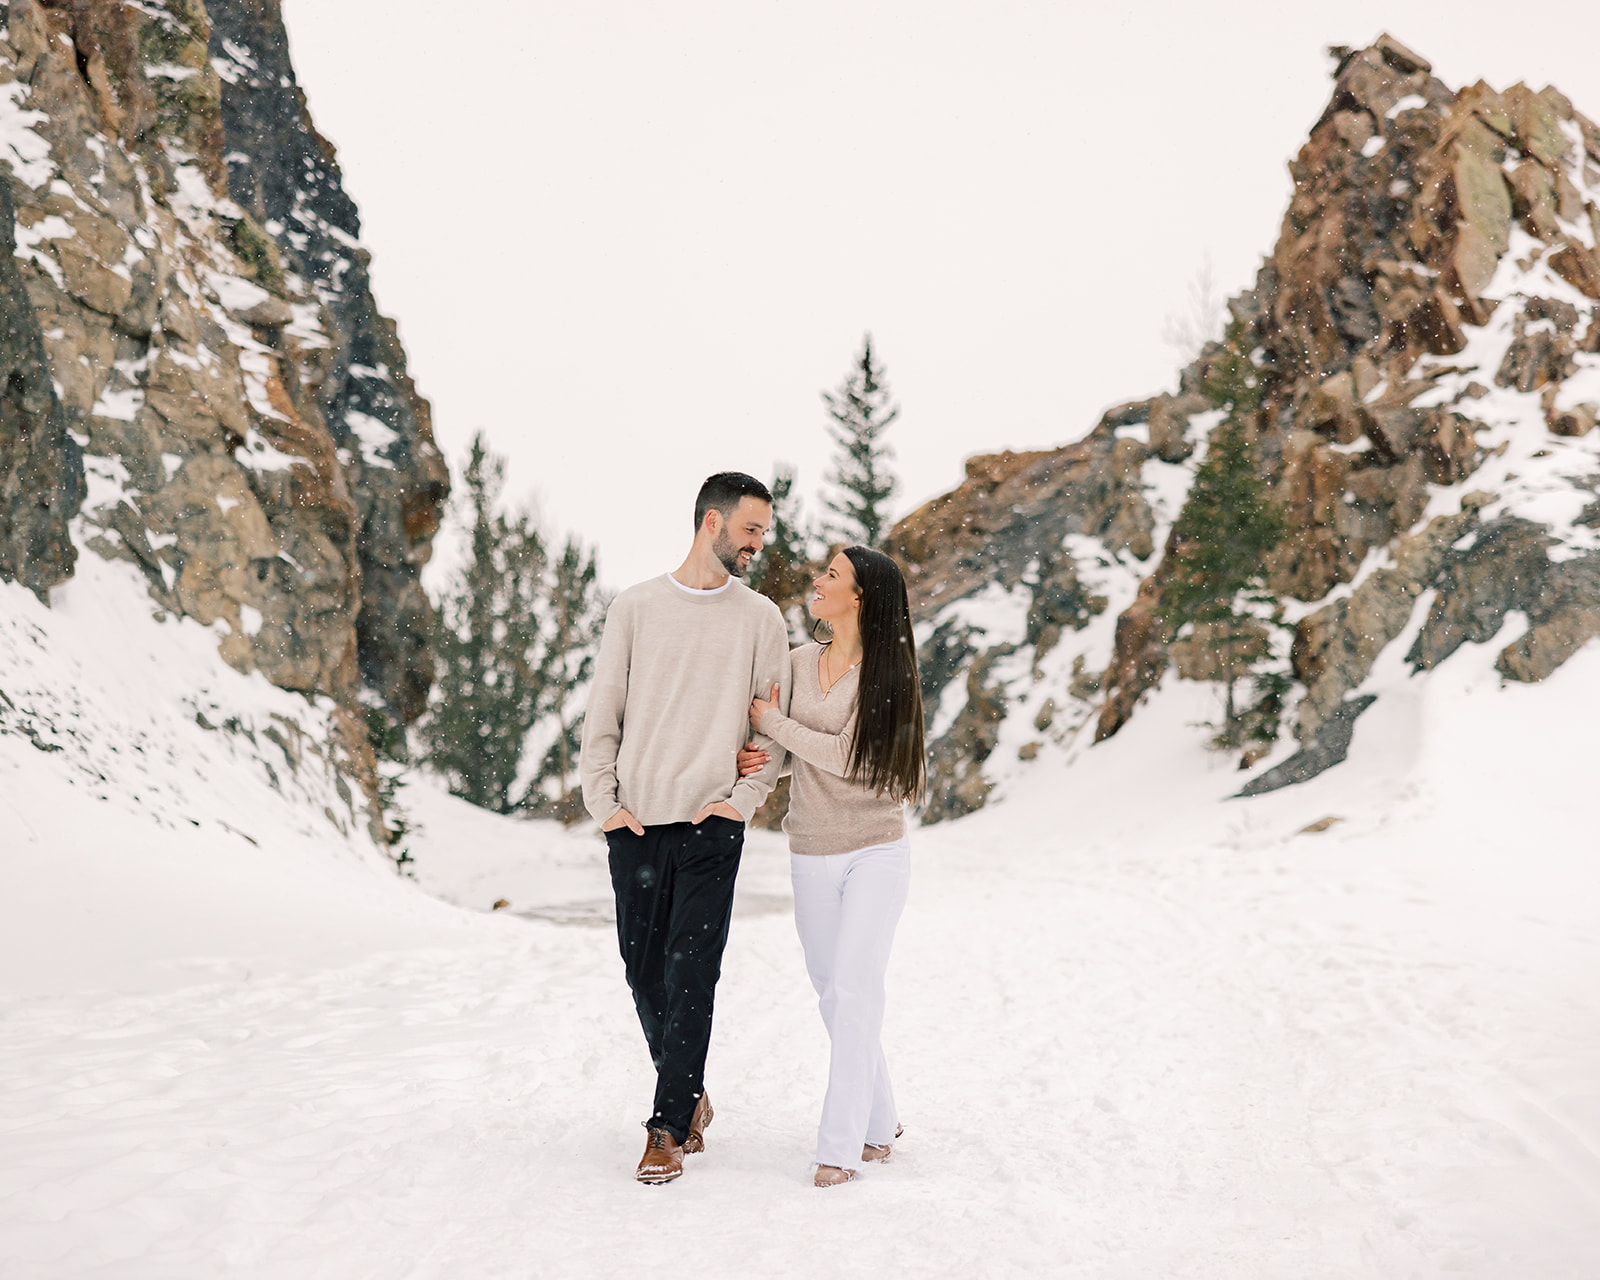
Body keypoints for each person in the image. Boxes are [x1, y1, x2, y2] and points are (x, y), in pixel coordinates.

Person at [579, 471, 790, 1185]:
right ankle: (692, 1095)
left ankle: (667, 1126)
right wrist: (605, 806)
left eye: (763, 531)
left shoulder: (762, 618)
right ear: (712, 523)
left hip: (711, 823)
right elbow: (603, 712)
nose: (760, 543)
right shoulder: (635, 608)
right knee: (644, 972)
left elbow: (772, 729)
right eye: (751, 530)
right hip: (636, 823)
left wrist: (745, 796)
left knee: (691, 972)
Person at [741, 545, 926, 1188]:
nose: (817, 582)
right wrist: (761, 756)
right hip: (808, 849)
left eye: (831, 575)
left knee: (855, 989)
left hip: (875, 850)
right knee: (832, 993)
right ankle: (880, 1118)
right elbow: (797, 755)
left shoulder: (889, 672)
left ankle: (840, 1146)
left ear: (861, 597)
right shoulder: (797, 664)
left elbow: (855, 760)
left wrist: (774, 724)